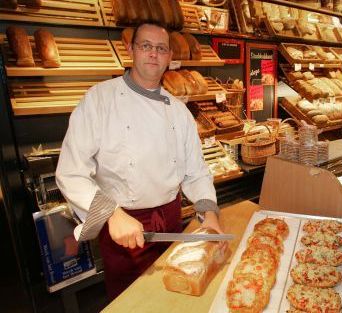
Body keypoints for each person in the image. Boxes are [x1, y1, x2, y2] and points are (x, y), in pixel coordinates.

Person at [55, 22, 224, 301]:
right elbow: (71, 173)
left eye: (161, 48)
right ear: (131, 49)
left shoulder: (179, 112)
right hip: (124, 226)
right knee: (131, 301)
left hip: (170, 221)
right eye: (146, 46)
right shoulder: (100, 99)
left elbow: (196, 172)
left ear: (170, 57)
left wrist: (211, 215)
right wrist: (113, 214)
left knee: (175, 297)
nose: (153, 54)